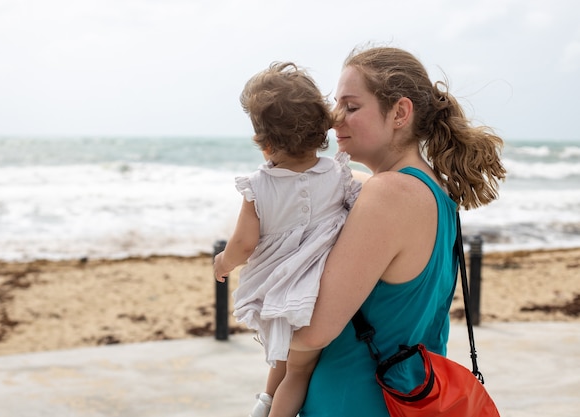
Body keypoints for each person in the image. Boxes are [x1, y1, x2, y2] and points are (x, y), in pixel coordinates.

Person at [288, 46, 506, 416]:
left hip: (353, 401)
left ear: (400, 113)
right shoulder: (436, 193)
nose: (334, 119)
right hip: (404, 400)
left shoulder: (388, 194)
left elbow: (312, 332)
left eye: (351, 107)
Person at [213, 62, 361, 417]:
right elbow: (359, 211)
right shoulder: (337, 172)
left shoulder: (258, 187)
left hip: (279, 288)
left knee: (287, 360)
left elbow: (244, 244)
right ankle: (267, 403)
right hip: (319, 285)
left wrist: (222, 263)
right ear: (321, 132)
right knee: (298, 367)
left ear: (265, 144)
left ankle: (266, 405)